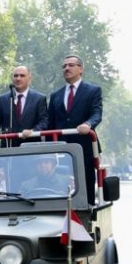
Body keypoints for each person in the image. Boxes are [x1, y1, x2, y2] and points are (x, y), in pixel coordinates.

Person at [47, 54, 103, 203]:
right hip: (61, 150)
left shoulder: (93, 91)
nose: (66, 68)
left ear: (81, 69)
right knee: (61, 186)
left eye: (71, 65)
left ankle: (88, 211)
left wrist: (88, 124)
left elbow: (97, 114)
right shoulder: (55, 95)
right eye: (64, 66)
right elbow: (50, 123)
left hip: (84, 147)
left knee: (86, 185)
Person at [0, 66, 49, 146]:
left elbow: (44, 121)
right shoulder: (2, 99)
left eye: (22, 76)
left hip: (31, 146)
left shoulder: (39, 98)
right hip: (8, 147)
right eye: (16, 76)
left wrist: (33, 131)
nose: (18, 78)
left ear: (30, 78)